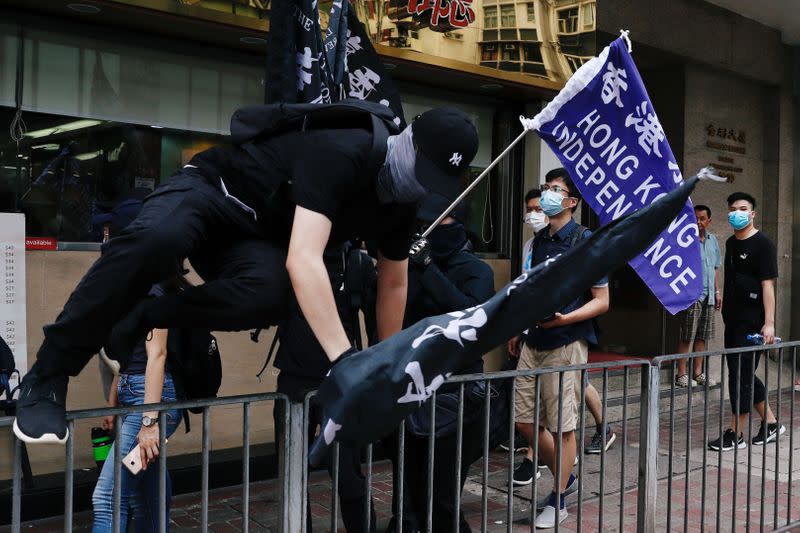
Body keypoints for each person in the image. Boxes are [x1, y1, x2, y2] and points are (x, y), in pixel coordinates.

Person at [14, 104, 479, 444]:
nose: (421, 185)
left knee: (271, 294)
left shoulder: (403, 203)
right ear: (408, 140)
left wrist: (388, 366)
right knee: (160, 239)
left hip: (253, 239)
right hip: (213, 192)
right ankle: (47, 375)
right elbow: (305, 260)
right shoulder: (345, 150)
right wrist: (347, 362)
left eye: (433, 181)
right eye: (421, 170)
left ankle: (149, 314)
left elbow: (394, 282)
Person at [387, 194, 495, 532]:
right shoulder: (411, 268)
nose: (431, 228)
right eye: (424, 223)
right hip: (411, 385)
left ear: (460, 224)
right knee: (406, 484)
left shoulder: (477, 270)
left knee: (442, 489)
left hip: (455, 392)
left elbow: (468, 318)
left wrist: (430, 268)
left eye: (442, 220)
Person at [511, 168, 610, 528]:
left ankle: (559, 499)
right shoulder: (538, 241)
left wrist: (567, 320)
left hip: (566, 343)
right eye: (546, 188)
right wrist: (518, 327)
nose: (548, 195)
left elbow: (602, 301)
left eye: (556, 190)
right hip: (532, 340)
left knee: (563, 427)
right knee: (524, 421)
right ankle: (566, 476)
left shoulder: (586, 241)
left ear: (571, 201)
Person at [272, 241, 378, 533]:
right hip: (293, 380)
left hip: (340, 382)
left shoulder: (356, 263)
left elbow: (377, 322)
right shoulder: (290, 255)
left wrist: (373, 372)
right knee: (293, 474)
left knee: (348, 476)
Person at [92, 280, 184, 533]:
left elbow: (158, 355)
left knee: (107, 498)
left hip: (150, 402)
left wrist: (149, 422)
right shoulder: (135, 289)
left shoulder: (153, 291)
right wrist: (114, 403)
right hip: (136, 398)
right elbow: (127, 359)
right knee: (145, 498)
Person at [708, 192, 784, 451]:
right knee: (741, 374)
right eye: (732, 208)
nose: (736, 213)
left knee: (739, 377)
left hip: (753, 322)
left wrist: (769, 323)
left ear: (752, 214)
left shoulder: (764, 244)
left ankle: (735, 432)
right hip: (733, 320)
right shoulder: (730, 243)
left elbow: (768, 286)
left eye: (742, 208)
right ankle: (771, 423)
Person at [674, 204, 721, 387]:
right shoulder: (685, 240)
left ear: (709, 221)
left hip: (709, 295)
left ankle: (698, 373)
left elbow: (715, 268)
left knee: (703, 336)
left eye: (702, 218)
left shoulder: (713, 240)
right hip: (692, 295)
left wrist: (717, 292)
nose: (698, 222)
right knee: (687, 335)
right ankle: (681, 374)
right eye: (695, 218)